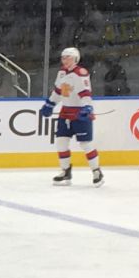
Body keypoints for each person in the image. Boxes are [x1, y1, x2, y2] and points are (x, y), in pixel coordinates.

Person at [42, 46, 98, 186]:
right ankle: (66, 171)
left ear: (75, 59)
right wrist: (50, 104)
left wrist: (87, 107)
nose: (65, 60)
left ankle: (96, 171)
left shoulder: (81, 73)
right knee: (61, 143)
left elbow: (85, 93)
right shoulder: (61, 73)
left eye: (68, 57)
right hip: (65, 113)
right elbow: (59, 91)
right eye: (63, 57)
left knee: (85, 143)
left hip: (79, 113)